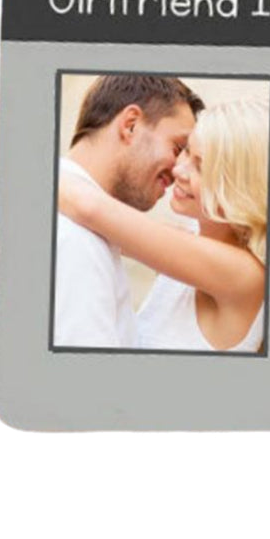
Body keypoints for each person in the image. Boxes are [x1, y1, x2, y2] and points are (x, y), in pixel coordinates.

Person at [58, 98, 269, 353]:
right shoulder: (189, 236)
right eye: (185, 150)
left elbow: (89, 207)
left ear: (239, 188)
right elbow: (106, 231)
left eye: (200, 167)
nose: (178, 170)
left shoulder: (244, 276)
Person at [53, 75, 203, 349]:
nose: (179, 170)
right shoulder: (78, 240)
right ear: (130, 125)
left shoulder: (83, 228)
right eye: (178, 148)